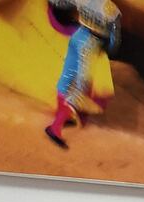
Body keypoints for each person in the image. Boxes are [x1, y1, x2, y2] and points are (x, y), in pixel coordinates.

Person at [45, 0, 121, 149]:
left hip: (77, 36)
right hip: (90, 44)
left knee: (67, 76)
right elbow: (115, 41)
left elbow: (60, 3)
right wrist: (108, 51)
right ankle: (55, 128)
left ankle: (62, 114)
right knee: (81, 87)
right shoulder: (113, 11)